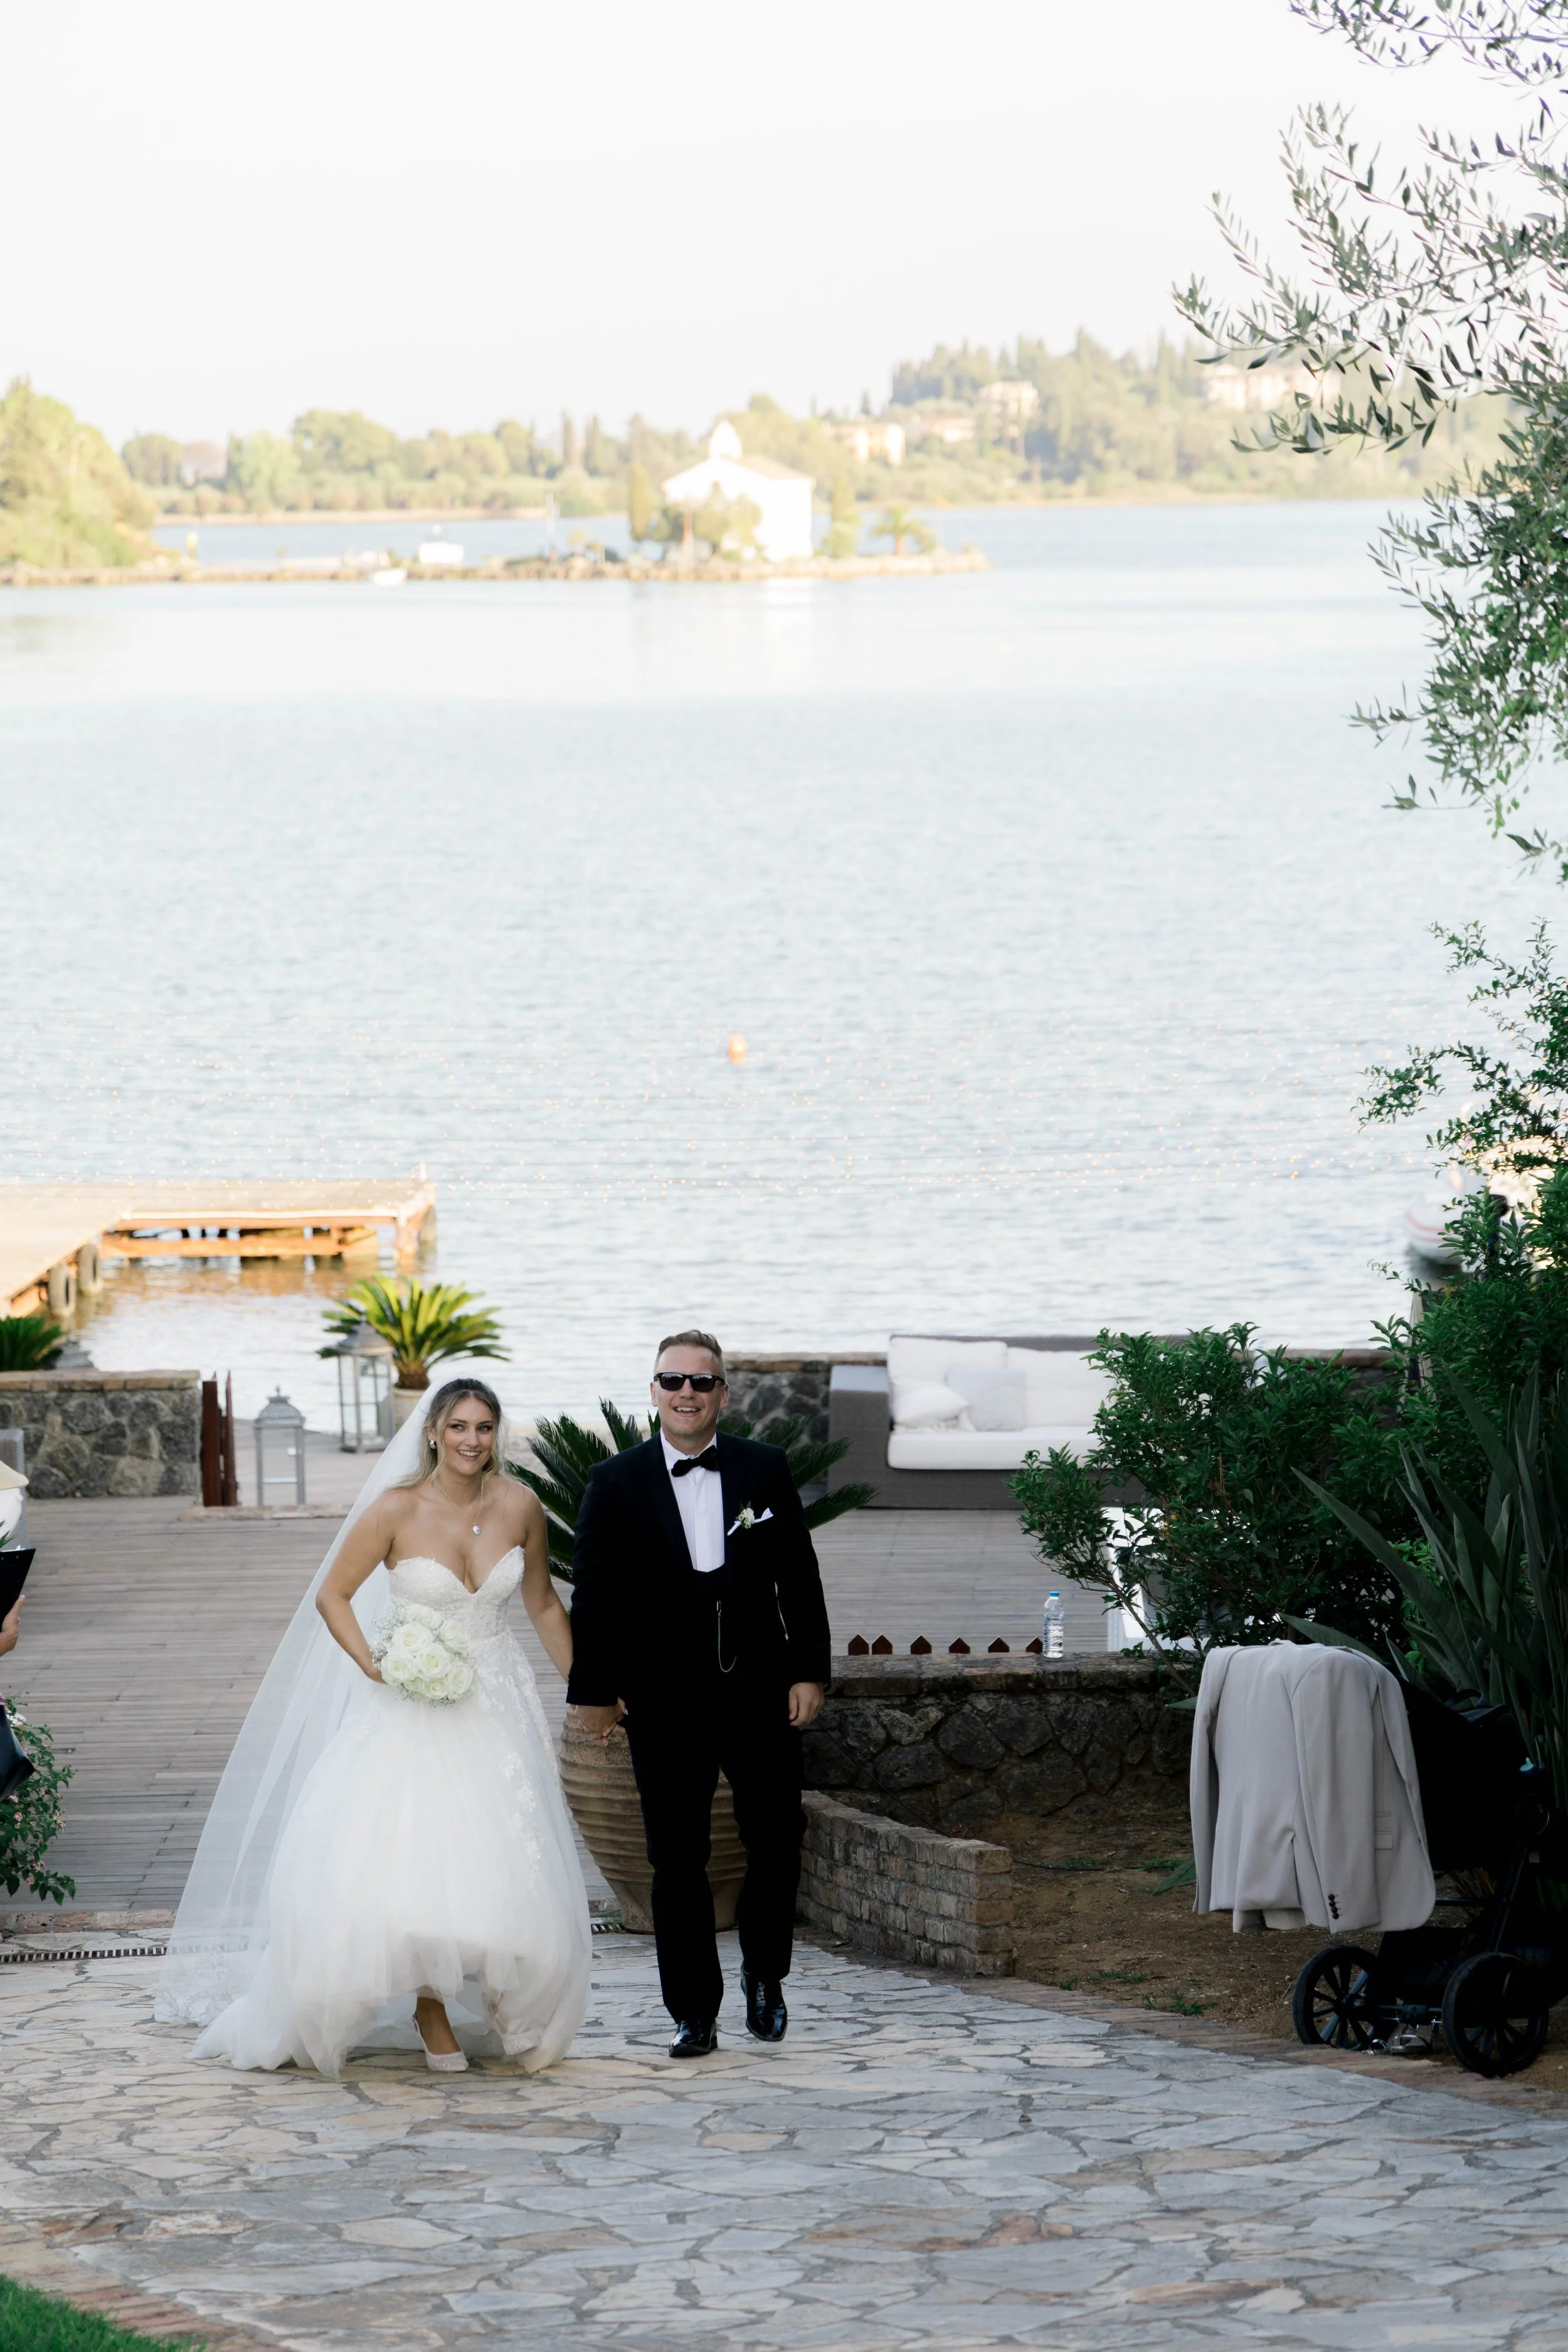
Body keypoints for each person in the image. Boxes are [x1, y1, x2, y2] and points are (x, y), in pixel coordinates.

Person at [156, 1379, 591, 2078]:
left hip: (497, 1699)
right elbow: (332, 1594)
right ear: (431, 1433)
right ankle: (430, 2006)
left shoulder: (520, 1505)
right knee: (416, 1854)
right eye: (458, 1427)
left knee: (503, 1849)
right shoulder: (395, 1509)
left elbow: (540, 1602)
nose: (471, 1441)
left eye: (484, 1428)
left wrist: (587, 1690)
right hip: (413, 1703)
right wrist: (376, 1665)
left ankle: (512, 2003)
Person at [568, 1329, 831, 2058]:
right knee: (675, 1857)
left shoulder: (764, 1469)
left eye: (702, 1382)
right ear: (652, 1391)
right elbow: (593, 1597)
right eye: (673, 1380)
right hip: (663, 1699)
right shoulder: (614, 1482)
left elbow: (798, 1578)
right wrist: (594, 1692)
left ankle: (764, 1976)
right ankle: (693, 2012)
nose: (687, 1393)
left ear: (723, 1393)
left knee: (777, 1838)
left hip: (760, 1692)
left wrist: (809, 1670)